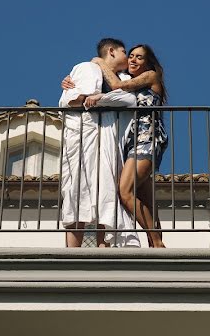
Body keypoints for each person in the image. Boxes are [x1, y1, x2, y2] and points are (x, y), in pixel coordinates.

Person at [66, 43, 168, 248]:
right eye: (131, 55)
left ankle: (157, 244)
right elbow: (115, 90)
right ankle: (155, 241)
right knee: (145, 197)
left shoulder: (150, 76)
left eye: (139, 57)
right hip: (132, 142)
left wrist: (99, 62)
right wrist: (73, 83)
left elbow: (115, 87)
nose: (133, 60)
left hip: (148, 138)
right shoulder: (132, 81)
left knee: (125, 191)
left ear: (148, 62)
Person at [58, 38, 140, 248]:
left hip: (106, 143)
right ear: (111, 51)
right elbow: (72, 100)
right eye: (124, 52)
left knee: (106, 192)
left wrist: (99, 98)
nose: (128, 57)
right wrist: (87, 96)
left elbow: (129, 100)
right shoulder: (87, 68)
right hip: (84, 139)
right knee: (78, 193)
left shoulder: (122, 78)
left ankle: (103, 249)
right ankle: (73, 255)